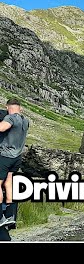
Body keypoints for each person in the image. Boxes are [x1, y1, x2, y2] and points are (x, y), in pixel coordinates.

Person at [0, 98, 29, 228]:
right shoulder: (25, 121)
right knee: (8, 183)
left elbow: (2, 128)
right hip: (17, 158)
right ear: (20, 108)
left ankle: (0, 217)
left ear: (7, 107)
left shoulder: (10, 118)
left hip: (5, 156)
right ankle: (11, 216)